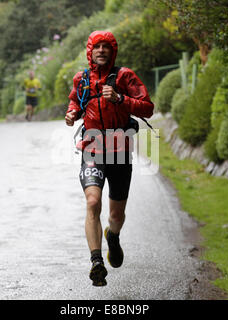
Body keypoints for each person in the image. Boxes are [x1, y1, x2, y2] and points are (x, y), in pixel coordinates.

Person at [65, 31, 154, 286]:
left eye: (106, 47)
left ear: (112, 51)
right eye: (97, 47)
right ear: (90, 51)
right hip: (92, 145)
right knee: (92, 202)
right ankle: (96, 262)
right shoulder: (81, 79)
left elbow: (147, 106)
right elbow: (75, 103)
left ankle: (112, 237)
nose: (101, 50)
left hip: (119, 149)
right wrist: (72, 114)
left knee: (116, 216)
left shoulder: (125, 76)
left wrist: (120, 98)